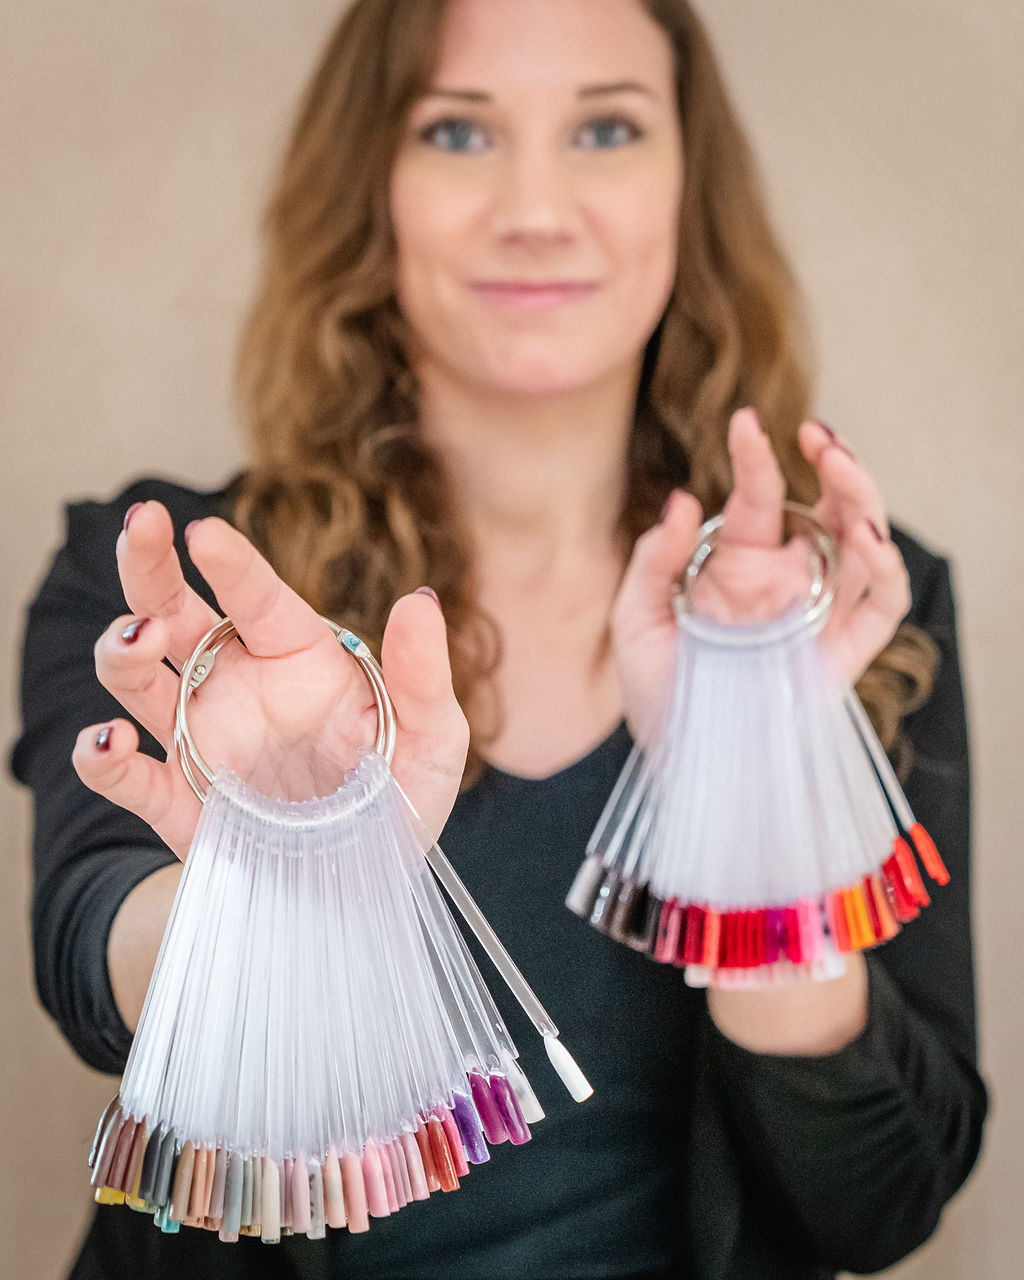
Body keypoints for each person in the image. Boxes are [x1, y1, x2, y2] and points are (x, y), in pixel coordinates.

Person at [11, 1, 986, 1277]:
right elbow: (94, 950)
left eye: (605, 129)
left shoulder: (843, 603)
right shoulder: (176, 587)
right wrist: (276, 887)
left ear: (687, 185)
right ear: (374, 187)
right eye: (460, 132)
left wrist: (751, 777)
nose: (535, 208)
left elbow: (884, 1203)